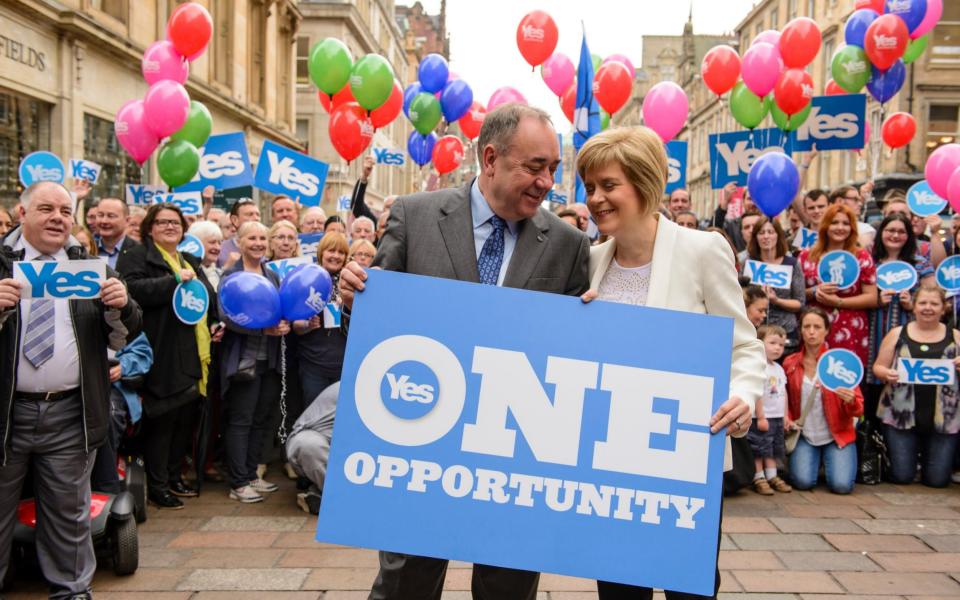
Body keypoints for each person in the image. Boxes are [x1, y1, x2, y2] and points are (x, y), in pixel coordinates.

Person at [340, 103, 591, 600]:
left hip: (517, 454)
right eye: (535, 167)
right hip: (422, 441)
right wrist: (354, 299)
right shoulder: (415, 217)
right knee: (405, 581)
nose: (547, 182)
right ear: (491, 158)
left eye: (554, 169)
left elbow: (572, 358)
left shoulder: (568, 245)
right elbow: (377, 333)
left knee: (507, 586)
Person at [575, 126, 764, 600]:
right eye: (590, 186)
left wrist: (742, 396)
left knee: (690, 586)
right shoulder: (591, 260)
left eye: (608, 185)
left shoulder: (702, 251)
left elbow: (744, 346)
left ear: (643, 185)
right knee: (618, 586)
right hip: (609, 459)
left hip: (685, 453)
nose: (596, 198)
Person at [0, 181, 142, 599]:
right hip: (6, 416)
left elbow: (125, 337)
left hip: (69, 414)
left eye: (66, 210)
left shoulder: (90, 268)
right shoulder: (2, 266)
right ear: (23, 214)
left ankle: (72, 591)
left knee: (68, 514)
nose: (58, 217)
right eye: (46, 208)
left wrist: (122, 304)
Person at [117, 203, 219, 509]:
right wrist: (174, 281)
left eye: (175, 222)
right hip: (159, 349)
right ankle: (158, 485)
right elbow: (132, 291)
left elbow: (206, 298)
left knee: (183, 420)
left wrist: (215, 322)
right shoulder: (135, 257)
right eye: (162, 222)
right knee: (162, 421)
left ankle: (175, 475)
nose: (170, 227)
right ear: (150, 228)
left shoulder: (188, 259)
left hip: (190, 351)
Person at [218, 221, 289, 503]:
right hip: (243, 362)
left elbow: (279, 309)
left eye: (263, 238)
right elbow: (227, 316)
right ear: (240, 241)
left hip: (269, 361)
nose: (258, 243)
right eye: (252, 238)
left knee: (260, 419)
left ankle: (250, 475)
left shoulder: (271, 274)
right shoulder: (230, 276)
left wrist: (283, 324)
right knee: (241, 421)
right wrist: (263, 330)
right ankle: (237, 483)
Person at [872, 285, 960, 487]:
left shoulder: (955, 337)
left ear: (943, 307)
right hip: (899, 413)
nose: (927, 308)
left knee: (937, 481)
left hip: (944, 416)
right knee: (902, 477)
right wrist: (887, 374)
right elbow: (878, 367)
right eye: (922, 303)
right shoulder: (897, 334)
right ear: (914, 306)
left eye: (934, 304)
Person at [784, 307, 863, 493]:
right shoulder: (790, 363)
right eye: (807, 326)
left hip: (837, 435)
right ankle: (814, 459)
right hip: (804, 434)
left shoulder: (840, 362)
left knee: (842, 486)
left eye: (817, 327)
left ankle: (828, 459)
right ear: (801, 330)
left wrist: (851, 401)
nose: (811, 332)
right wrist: (786, 418)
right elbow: (782, 397)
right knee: (802, 482)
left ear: (827, 330)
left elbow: (858, 409)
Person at [864, 214, 935, 420]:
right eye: (890, 230)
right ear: (881, 233)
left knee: (907, 388)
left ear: (909, 235)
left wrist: (911, 303)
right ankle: (873, 441)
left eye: (901, 231)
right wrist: (875, 299)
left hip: (909, 335)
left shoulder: (920, 263)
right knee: (873, 393)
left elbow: (935, 299)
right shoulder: (869, 261)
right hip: (873, 333)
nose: (895, 235)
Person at [799, 203, 878, 367]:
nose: (840, 227)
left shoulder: (861, 256)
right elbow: (797, 294)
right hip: (815, 327)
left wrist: (838, 302)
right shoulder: (807, 256)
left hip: (851, 328)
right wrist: (815, 291)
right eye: (834, 222)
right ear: (825, 225)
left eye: (845, 223)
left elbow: (872, 297)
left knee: (845, 375)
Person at [295, 233, 348, 403]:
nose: (336, 256)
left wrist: (348, 305)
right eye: (331, 250)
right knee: (313, 415)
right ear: (321, 253)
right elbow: (295, 325)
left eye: (341, 252)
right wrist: (306, 324)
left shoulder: (351, 283)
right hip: (313, 364)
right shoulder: (307, 279)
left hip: (343, 364)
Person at [746, 217, 805, 352]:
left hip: (784, 337)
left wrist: (776, 300)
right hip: (753, 333)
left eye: (770, 232)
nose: (766, 236)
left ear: (778, 235)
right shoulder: (748, 263)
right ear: (755, 237)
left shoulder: (792, 264)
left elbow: (800, 303)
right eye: (761, 233)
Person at [748, 325, 793, 495]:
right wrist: (760, 416)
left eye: (781, 344)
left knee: (773, 449)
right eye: (772, 342)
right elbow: (757, 393)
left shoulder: (779, 368)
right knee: (758, 449)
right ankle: (758, 477)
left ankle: (772, 475)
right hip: (762, 417)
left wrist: (785, 416)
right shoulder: (759, 367)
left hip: (776, 417)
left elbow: (784, 393)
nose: (777, 347)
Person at [286, 381, 339, 515]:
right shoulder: (350, 386)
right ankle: (338, 496)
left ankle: (318, 494)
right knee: (306, 443)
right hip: (320, 447)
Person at [95, 197, 139, 269]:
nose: (104, 221)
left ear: (127, 220)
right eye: (100, 215)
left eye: (111, 216)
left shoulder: (139, 251)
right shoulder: (87, 248)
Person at [218, 198, 261, 269]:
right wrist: (227, 267)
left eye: (258, 215)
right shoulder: (219, 249)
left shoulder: (267, 248)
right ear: (235, 220)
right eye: (250, 214)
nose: (256, 218)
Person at [189, 220, 224, 290]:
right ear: (197, 243)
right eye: (212, 242)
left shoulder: (220, 274)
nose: (218, 248)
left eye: (220, 243)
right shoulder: (189, 274)